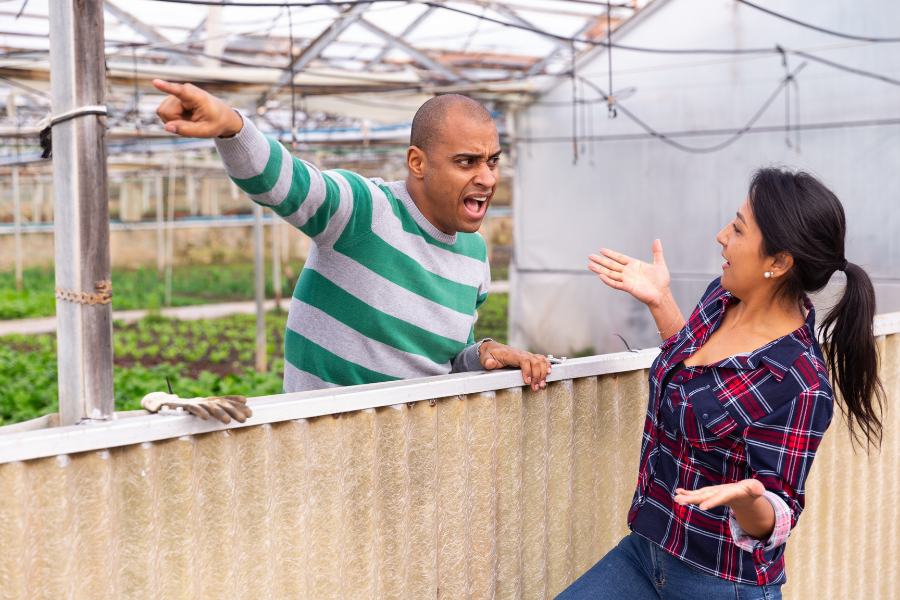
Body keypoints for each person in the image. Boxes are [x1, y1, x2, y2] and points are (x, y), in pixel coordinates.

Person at [561, 167, 884, 599]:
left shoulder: (800, 382)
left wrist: (749, 500)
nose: (721, 236)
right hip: (647, 550)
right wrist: (661, 302)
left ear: (779, 263)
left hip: (718, 582)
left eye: (737, 228)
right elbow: (694, 378)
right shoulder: (722, 298)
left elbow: (779, 513)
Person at [149, 79, 551, 408]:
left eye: (493, 161)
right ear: (418, 163)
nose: (488, 178)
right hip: (328, 449)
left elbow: (442, 360)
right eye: (467, 162)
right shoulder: (364, 211)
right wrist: (232, 127)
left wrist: (481, 353)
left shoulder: (475, 255)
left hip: (416, 455)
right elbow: (290, 184)